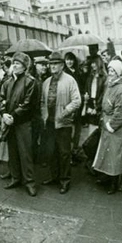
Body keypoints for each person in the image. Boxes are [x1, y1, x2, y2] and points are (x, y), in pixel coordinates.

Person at [40, 51, 82, 194]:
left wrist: (65, 112)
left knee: (64, 153)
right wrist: (44, 115)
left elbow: (77, 100)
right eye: (51, 64)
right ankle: (54, 177)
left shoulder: (70, 80)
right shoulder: (46, 82)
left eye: (56, 64)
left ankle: (65, 181)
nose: (52, 66)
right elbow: (42, 102)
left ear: (62, 65)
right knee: (51, 152)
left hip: (63, 123)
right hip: (50, 123)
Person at [0, 52, 38, 196]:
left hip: (23, 123)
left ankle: (29, 182)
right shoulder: (7, 82)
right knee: (13, 151)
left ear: (24, 67)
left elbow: (28, 104)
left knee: (25, 153)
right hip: (10, 121)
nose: (14, 65)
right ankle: (15, 178)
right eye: (13, 63)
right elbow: (1, 99)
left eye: (18, 63)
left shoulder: (30, 81)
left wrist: (13, 115)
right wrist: (4, 113)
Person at [92, 59, 122, 194]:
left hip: (114, 126)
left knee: (114, 155)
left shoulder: (120, 89)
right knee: (106, 153)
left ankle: (114, 183)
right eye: (110, 70)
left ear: (118, 73)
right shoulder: (110, 84)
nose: (110, 73)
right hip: (107, 122)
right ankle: (106, 177)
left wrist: (110, 124)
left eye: (113, 71)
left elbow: (121, 112)